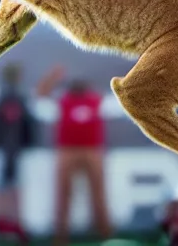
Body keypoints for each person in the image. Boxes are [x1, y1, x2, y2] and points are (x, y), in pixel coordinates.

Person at [40, 67, 111, 245]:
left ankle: (104, 231)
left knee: (98, 192)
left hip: (92, 150)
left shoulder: (95, 100)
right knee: (63, 193)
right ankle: (61, 235)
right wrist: (53, 77)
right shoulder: (63, 100)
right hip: (67, 150)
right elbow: (41, 94)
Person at [0, 65, 35, 242]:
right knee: (7, 188)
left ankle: (9, 223)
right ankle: (6, 223)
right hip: (8, 150)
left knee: (8, 187)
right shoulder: (10, 98)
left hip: (9, 150)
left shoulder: (9, 96)